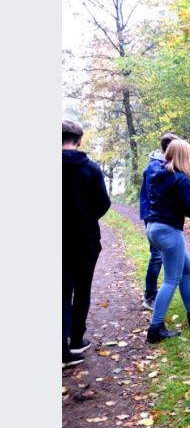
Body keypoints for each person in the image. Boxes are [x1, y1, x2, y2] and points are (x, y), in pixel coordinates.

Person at [145, 139, 190, 343]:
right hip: (168, 230)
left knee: (187, 268)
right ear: (184, 156)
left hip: (154, 227)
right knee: (171, 279)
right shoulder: (181, 178)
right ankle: (155, 328)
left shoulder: (158, 174)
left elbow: (173, 200)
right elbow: (188, 209)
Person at [63, 120, 111, 368]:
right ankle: (76, 340)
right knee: (82, 289)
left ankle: (60, 346)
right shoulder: (91, 168)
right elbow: (103, 203)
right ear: (79, 140)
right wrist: (86, 215)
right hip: (84, 239)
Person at [139, 132, 179, 310]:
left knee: (160, 257)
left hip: (160, 217)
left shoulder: (164, 165)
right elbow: (154, 195)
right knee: (156, 257)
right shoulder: (155, 167)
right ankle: (149, 296)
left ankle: (153, 294)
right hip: (153, 216)